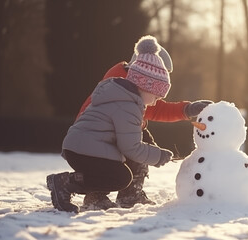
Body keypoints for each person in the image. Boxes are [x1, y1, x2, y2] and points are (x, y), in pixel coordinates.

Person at [46, 36, 209, 213]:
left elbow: (158, 109)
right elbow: (132, 144)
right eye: (156, 95)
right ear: (147, 81)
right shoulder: (126, 96)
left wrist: (188, 108)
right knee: (125, 163)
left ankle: (120, 193)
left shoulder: (125, 88)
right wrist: (158, 155)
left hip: (86, 141)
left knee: (126, 156)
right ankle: (103, 192)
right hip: (90, 143)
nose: (156, 101)